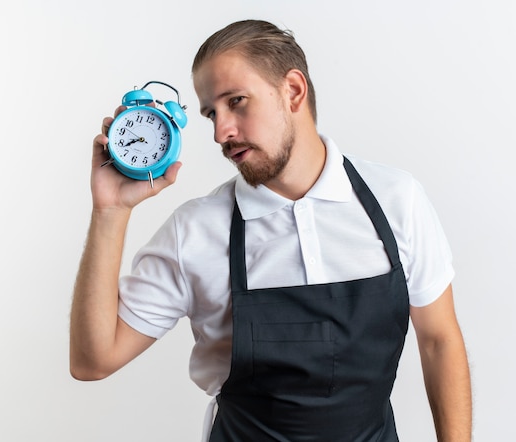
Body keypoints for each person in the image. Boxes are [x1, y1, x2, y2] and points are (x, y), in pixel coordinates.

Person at [70, 19, 472, 441]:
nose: (221, 131)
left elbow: (439, 342)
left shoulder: (396, 200)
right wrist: (110, 211)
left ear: (293, 91)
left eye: (237, 101)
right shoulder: (196, 230)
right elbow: (92, 361)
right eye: (211, 113)